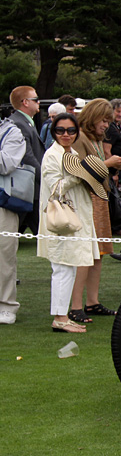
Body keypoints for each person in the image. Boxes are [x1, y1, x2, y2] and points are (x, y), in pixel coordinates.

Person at [37, 113, 100, 333]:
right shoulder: (52, 155)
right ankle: (60, 318)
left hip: (76, 219)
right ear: (53, 132)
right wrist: (80, 174)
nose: (66, 135)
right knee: (62, 268)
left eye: (71, 131)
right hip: (61, 221)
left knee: (70, 267)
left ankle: (63, 316)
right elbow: (55, 188)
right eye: (61, 130)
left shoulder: (72, 153)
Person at [67, 98, 121, 323]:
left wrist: (113, 164)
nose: (106, 125)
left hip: (99, 200)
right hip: (87, 200)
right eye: (104, 120)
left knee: (99, 253)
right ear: (92, 117)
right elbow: (79, 171)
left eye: (109, 121)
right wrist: (109, 163)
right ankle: (75, 306)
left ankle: (92, 302)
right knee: (85, 254)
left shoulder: (93, 139)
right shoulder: (79, 138)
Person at [1, 116, 30, 325]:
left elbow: (7, 164)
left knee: (4, 256)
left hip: (2, 203)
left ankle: (6, 306)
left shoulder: (12, 132)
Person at [7, 86, 44, 234]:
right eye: (35, 99)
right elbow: (27, 157)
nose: (39, 102)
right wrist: (46, 179)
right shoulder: (19, 123)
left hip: (29, 188)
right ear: (25, 102)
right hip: (26, 189)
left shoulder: (25, 122)